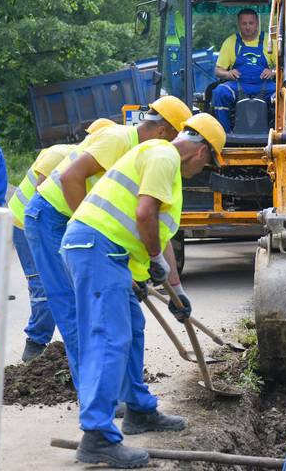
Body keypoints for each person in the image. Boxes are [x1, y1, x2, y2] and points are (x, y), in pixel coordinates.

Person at [62, 113, 226, 468]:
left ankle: (138, 410)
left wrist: (176, 292)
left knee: (131, 330)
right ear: (201, 154)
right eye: (209, 164)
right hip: (95, 248)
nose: (204, 171)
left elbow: (160, 235)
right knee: (110, 338)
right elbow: (143, 214)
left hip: (108, 253)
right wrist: (153, 259)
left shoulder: (167, 170)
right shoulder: (162, 155)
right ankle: (97, 437)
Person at [23, 96, 192, 389]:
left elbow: (153, 224)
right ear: (164, 131)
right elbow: (70, 177)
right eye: (177, 139)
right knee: (76, 309)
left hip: (77, 221)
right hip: (51, 216)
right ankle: (93, 393)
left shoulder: (148, 155)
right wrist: (88, 234)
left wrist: (175, 288)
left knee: (118, 311)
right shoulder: (118, 139)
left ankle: (120, 393)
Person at [6, 143, 74, 362]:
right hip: (25, 223)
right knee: (43, 285)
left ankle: (68, 341)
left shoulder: (79, 159)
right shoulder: (59, 154)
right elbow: (41, 194)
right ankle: (35, 343)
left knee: (61, 281)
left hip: (49, 225)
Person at [211, 8, 275, 132]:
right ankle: (226, 134)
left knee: (283, 94)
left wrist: (273, 72)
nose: (247, 27)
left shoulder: (270, 42)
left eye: (251, 23)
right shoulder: (230, 42)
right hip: (238, 85)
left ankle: (277, 134)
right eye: (244, 23)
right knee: (220, 92)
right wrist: (229, 74)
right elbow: (218, 71)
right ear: (239, 24)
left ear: (257, 23)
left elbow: (283, 67)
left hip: (265, 86)